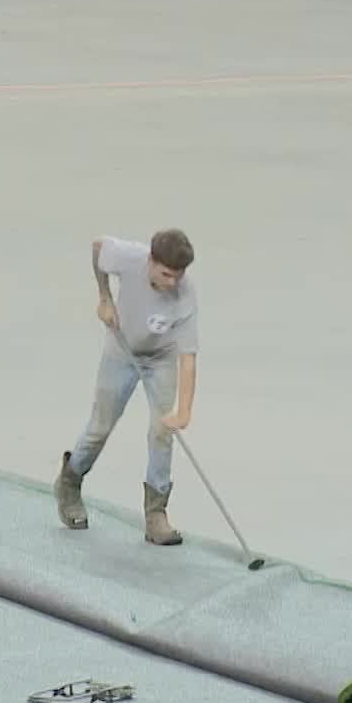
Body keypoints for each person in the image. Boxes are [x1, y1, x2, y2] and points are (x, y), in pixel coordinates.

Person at [55, 229, 199, 546]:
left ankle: (156, 515)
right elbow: (97, 248)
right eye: (166, 274)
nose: (172, 282)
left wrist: (183, 411)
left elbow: (188, 358)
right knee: (100, 427)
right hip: (121, 351)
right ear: (150, 261)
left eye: (178, 275)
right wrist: (104, 297)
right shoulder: (128, 256)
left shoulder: (185, 295)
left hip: (160, 360)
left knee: (162, 432)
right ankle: (70, 481)